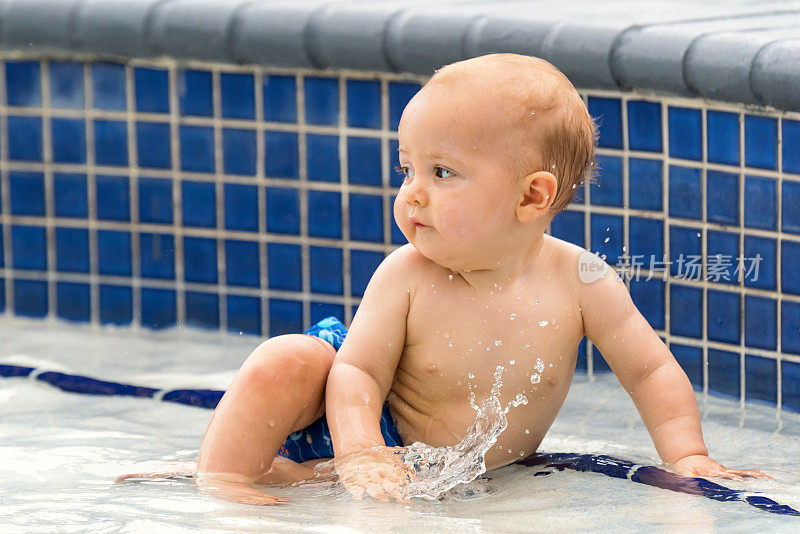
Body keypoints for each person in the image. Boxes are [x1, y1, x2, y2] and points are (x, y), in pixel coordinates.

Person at [182, 53, 768, 505]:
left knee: (312, 484)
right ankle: (225, 477)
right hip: (360, 424)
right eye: (406, 167)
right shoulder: (407, 273)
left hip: (433, 467)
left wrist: (687, 454)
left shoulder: (584, 280)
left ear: (531, 195)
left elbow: (650, 370)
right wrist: (363, 454)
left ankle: (286, 477)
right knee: (288, 359)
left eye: (442, 172)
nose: (412, 191)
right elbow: (357, 372)